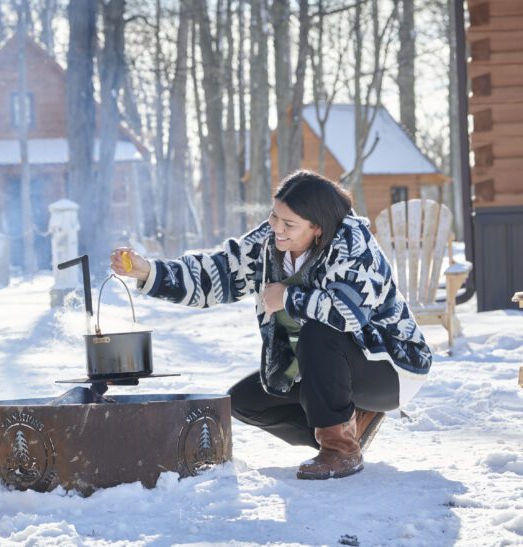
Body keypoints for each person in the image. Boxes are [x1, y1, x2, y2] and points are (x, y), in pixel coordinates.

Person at [110, 170, 432, 480]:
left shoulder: (353, 245)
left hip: (391, 369)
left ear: (317, 228)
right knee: (244, 402)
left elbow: (349, 313)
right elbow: (219, 272)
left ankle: (340, 449)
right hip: (324, 368)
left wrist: (287, 297)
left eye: (289, 223)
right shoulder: (270, 244)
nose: (276, 227)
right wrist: (149, 272)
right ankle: (351, 424)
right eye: (274, 215)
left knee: (319, 332)